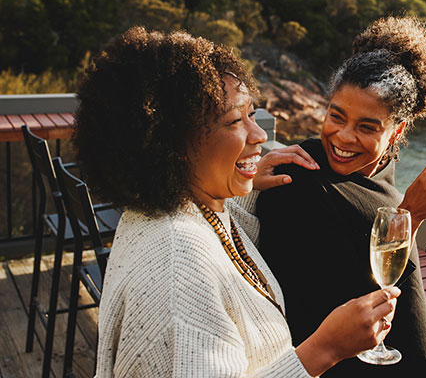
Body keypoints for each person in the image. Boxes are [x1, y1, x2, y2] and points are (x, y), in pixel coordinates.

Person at [73, 27, 400, 377]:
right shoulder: (178, 274)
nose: (259, 135)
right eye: (234, 121)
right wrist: (324, 349)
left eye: (251, 114)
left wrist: (243, 184)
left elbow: (225, 244)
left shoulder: (173, 208)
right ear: (169, 144)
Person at [249, 16, 426, 376]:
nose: (343, 138)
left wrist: (409, 213)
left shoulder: (382, 172)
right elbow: (334, 306)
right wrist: (410, 215)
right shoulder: (298, 178)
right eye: (336, 116)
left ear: (395, 132)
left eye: (367, 127)